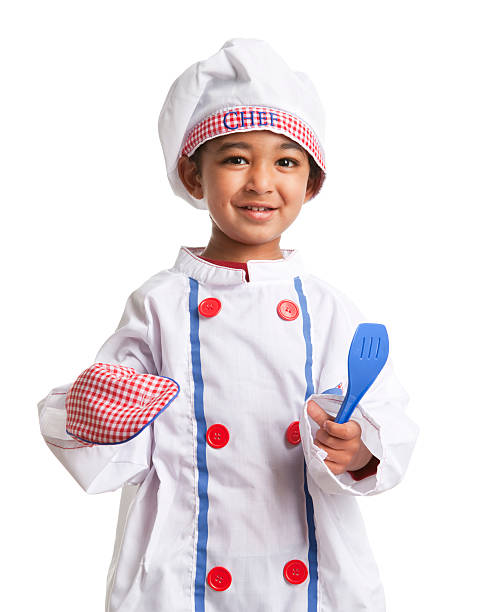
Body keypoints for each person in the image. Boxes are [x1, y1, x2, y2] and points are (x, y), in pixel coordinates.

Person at [38, 38, 419, 611]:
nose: (262, 181)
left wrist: (360, 447)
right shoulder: (160, 304)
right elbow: (109, 430)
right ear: (195, 177)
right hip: (183, 566)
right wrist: (100, 410)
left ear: (311, 184)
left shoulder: (329, 307)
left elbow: (387, 418)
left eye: (286, 161)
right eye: (236, 158)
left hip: (314, 571)